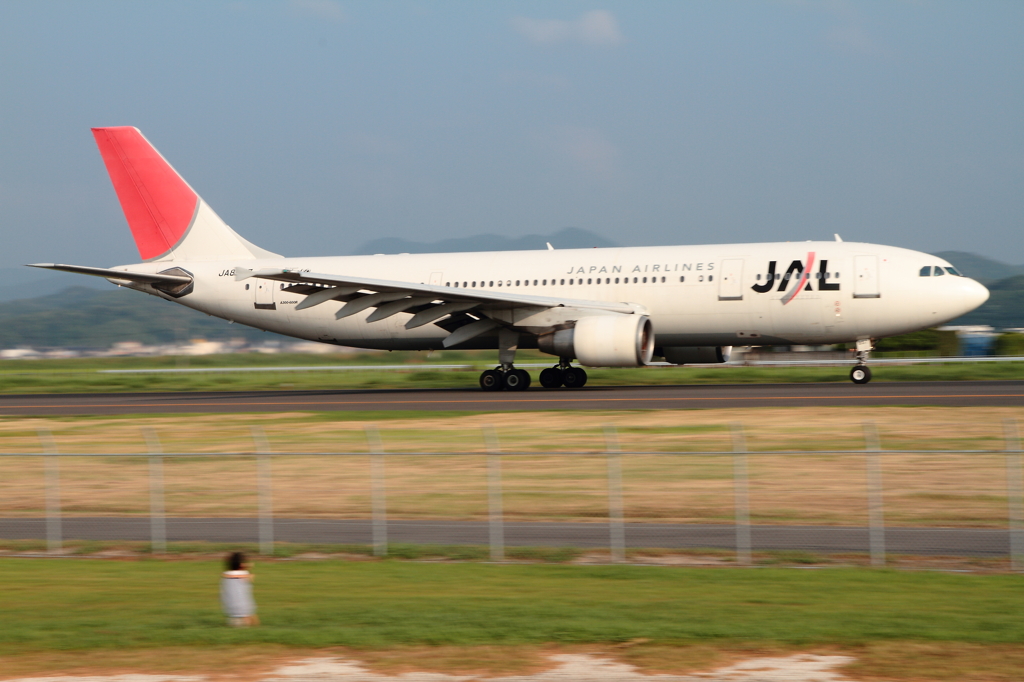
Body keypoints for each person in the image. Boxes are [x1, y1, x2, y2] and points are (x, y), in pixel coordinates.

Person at [220, 551, 259, 627]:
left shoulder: (225, 576)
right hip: (245, 613)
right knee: (255, 623)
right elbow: (250, 578)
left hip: (230, 611)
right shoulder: (246, 574)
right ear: (241, 564)